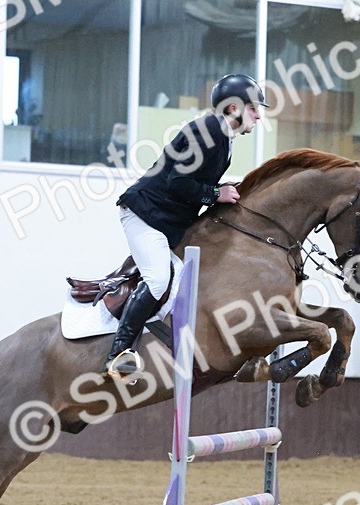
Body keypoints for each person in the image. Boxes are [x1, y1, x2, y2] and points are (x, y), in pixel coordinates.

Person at [103, 74, 268, 379]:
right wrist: (216, 193)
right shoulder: (208, 130)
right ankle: (118, 354)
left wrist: (218, 190)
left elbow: (191, 180)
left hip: (165, 220)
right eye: (254, 108)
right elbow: (178, 182)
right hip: (144, 215)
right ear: (234, 107)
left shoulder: (221, 136)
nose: (259, 115)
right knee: (157, 281)